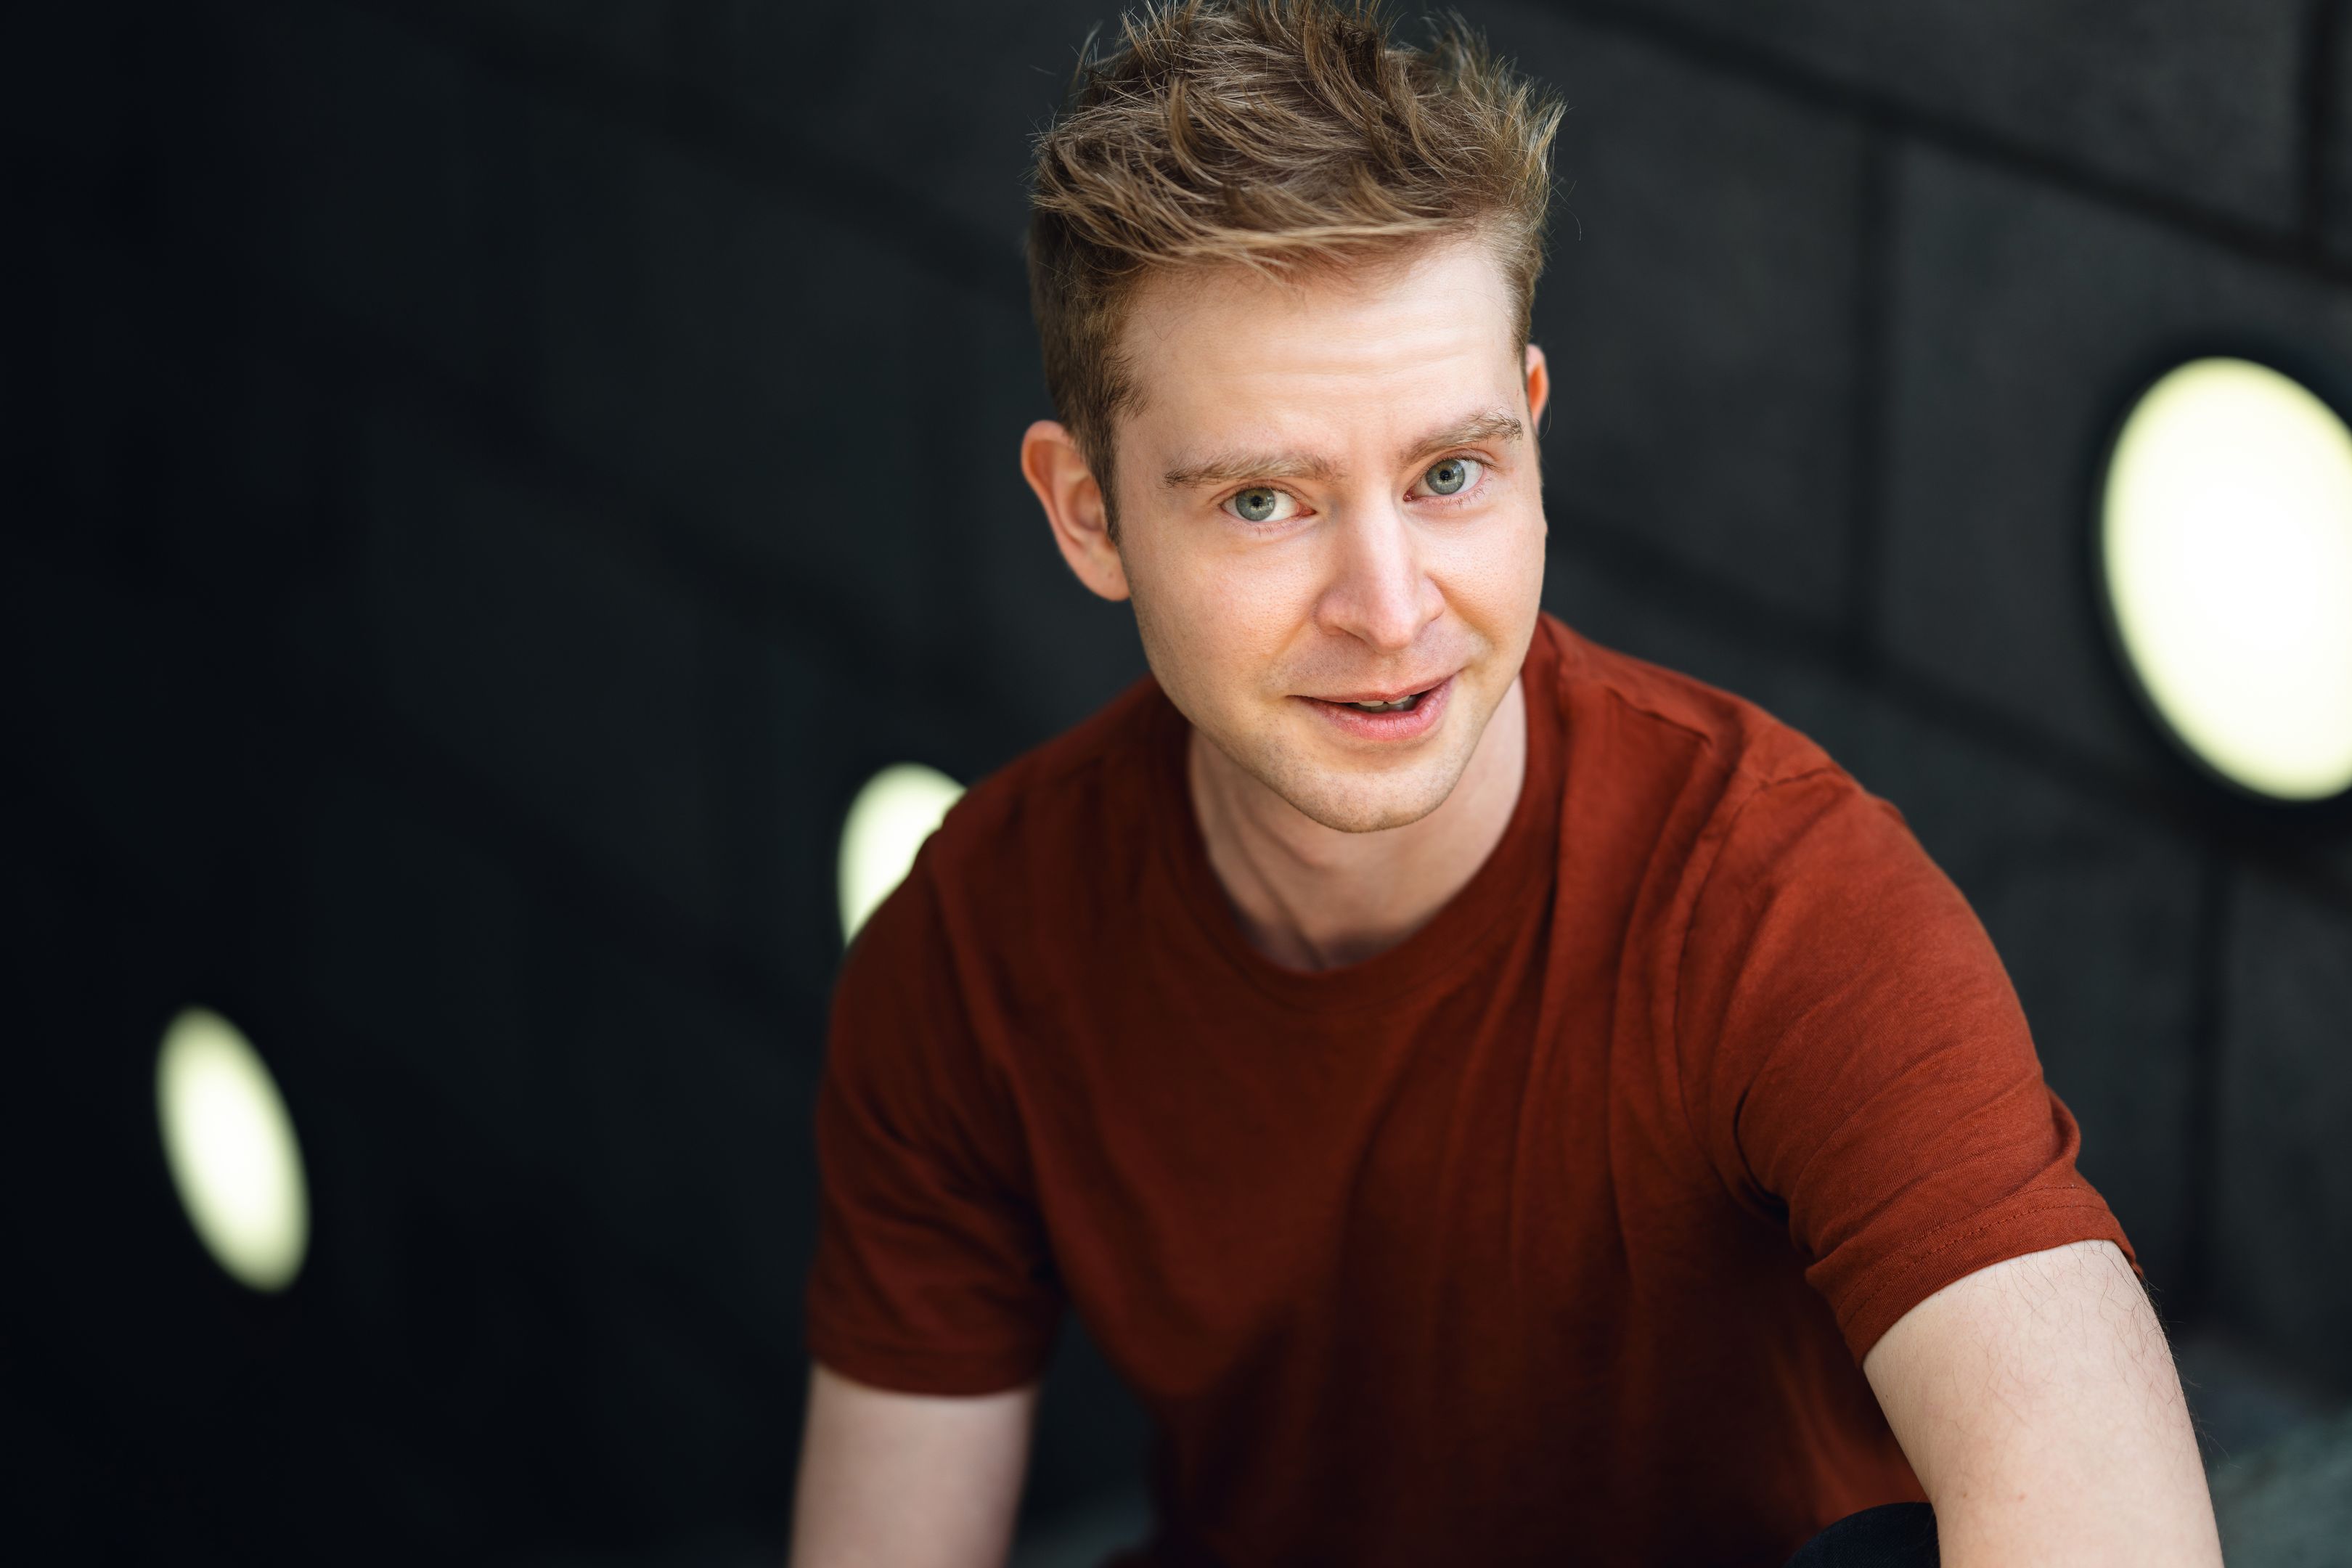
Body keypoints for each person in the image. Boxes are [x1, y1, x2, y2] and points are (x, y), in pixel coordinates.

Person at [787, 3, 2224, 1564]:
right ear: (1088, 513)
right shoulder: (974, 945)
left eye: (1449, 474)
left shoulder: (1781, 904)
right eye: (1264, 500)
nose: (1389, 608)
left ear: (1532, 436)